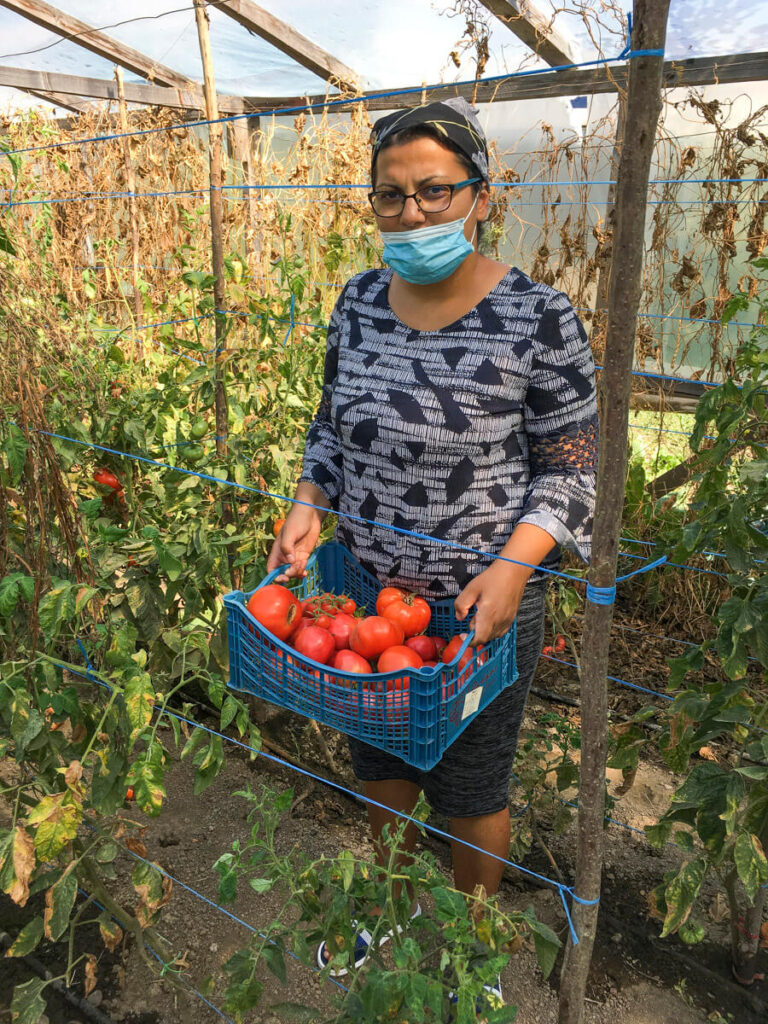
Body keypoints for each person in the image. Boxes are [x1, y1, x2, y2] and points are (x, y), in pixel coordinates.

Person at [266, 98, 598, 999]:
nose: (411, 214)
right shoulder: (361, 302)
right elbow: (333, 425)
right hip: (373, 600)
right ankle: (388, 906)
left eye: (434, 192)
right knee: (381, 757)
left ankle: (469, 943)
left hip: (482, 604)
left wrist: (511, 568)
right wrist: (309, 500)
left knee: (473, 782)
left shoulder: (538, 318)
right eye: (391, 196)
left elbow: (570, 470)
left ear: (480, 197)